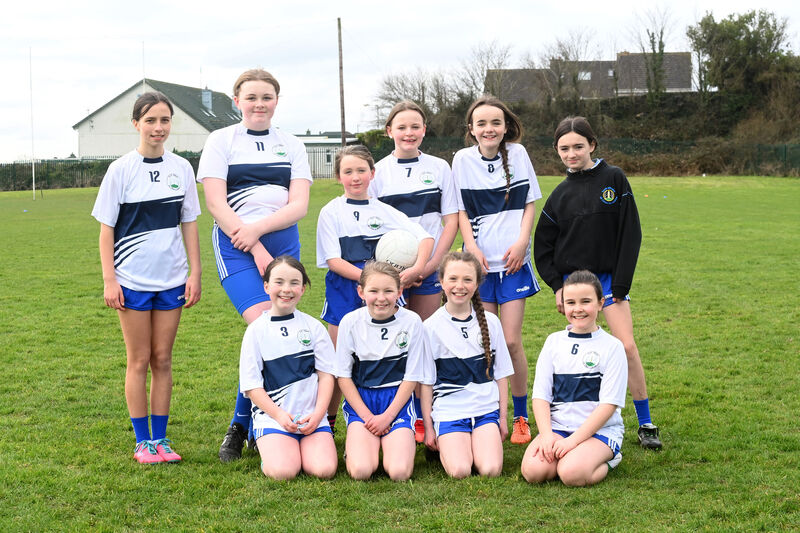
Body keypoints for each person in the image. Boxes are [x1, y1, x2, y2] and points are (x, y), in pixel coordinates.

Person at [197, 68, 313, 462]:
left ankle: (248, 422)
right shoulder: (221, 140)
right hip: (235, 243)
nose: (259, 104)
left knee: (277, 330)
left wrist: (260, 234)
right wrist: (251, 243)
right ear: (237, 102)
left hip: (280, 241)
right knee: (264, 323)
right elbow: (215, 203)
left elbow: (299, 204)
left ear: (276, 101)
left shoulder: (292, 144)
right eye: (251, 98)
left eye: (267, 97)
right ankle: (241, 424)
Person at [533, 116, 662, 450]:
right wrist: (558, 287)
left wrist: (619, 285)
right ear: (557, 151)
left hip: (607, 282)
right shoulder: (559, 195)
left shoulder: (614, 179)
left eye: (578, 146)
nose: (572, 153)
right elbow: (543, 247)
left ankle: (646, 422)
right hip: (575, 287)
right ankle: (575, 421)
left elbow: (631, 234)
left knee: (627, 347)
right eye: (564, 148)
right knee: (578, 355)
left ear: (592, 145)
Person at [92, 91, 201, 464]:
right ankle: (142, 442)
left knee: (163, 359)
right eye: (151, 120)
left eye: (165, 120)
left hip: (172, 280)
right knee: (138, 359)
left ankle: (161, 440)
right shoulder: (121, 170)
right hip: (132, 281)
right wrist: (110, 280)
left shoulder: (182, 169)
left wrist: (194, 272)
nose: (158, 127)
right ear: (136, 124)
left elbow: (189, 223)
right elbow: (106, 230)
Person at [451, 95, 542, 445]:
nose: (489, 129)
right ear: (471, 130)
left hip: (513, 264)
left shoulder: (517, 154)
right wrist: (471, 249)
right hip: (479, 268)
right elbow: (458, 209)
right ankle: (490, 413)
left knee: (511, 340)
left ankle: (520, 417)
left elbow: (529, 202)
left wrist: (522, 242)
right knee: (484, 343)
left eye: (496, 123)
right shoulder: (461, 159)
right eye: (482, 123)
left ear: (506, 127)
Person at [369, 100, 459, 444]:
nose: (409, 133)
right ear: (389, 131)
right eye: (401, 127)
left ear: (424, 130)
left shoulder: (439, 168)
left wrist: (430, 264)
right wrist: (394, 275)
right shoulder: (378, 172)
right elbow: (375, 225)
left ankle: (426, 417)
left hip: (431, 269)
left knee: (423, 340)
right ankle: (399, 415)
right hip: (391, 276)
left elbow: (450, 220)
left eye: (415, 126)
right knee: (395, 341)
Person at [521, 270, 627, 486]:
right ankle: (569, 455)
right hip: (559, 428)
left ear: (600, 303)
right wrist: (547, 436)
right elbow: (541, 395)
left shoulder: (613, 347)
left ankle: (612, 458)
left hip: (599, 431)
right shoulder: (553, 342)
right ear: (563, 305)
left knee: (570, 474)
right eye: (571, 302)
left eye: (586, 301)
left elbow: (608, 405)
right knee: (533, 472)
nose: (578, 309)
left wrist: (572, 442)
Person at [239, 256, 338, 480]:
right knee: (284, 472)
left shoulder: (313, 327)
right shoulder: (256, 331)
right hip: (274, 418)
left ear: (303, 288)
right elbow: (252, 386)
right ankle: (267, 445)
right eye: (279, 282)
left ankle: (303, 446)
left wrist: (318, 414)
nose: (287, 289)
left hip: (311, 417)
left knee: (324, 470)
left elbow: (326, 376)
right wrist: (279, 416)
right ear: (266, 286)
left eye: (294, 283)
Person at [335, 262, 433, 481]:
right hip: (362, 402)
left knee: (399, 472)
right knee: (361, 471)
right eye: (373, 291)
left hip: (396, 402)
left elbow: (412, 377)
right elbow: (343, 377)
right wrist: (368, 417)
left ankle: (392, 442)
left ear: (399, 292)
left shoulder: (412, 322)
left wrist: (387, 417)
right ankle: (355, 450)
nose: (381, 297)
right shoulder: (350, 323)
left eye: (388, 291)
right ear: (361, 292)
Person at [420, 252, 513, 478]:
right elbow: (426, 383)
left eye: (467, 279)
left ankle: (475, 440)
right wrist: (429, 427)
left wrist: (501, 418)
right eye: (452, 279)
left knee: (490, 470)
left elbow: (501, 375)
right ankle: (452, 442)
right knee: (460, 470)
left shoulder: (491, 322)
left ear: (477, 283)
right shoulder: (430, 327)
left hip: (485, 410)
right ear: (441, 282)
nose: (459, 286)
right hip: (449, 411)